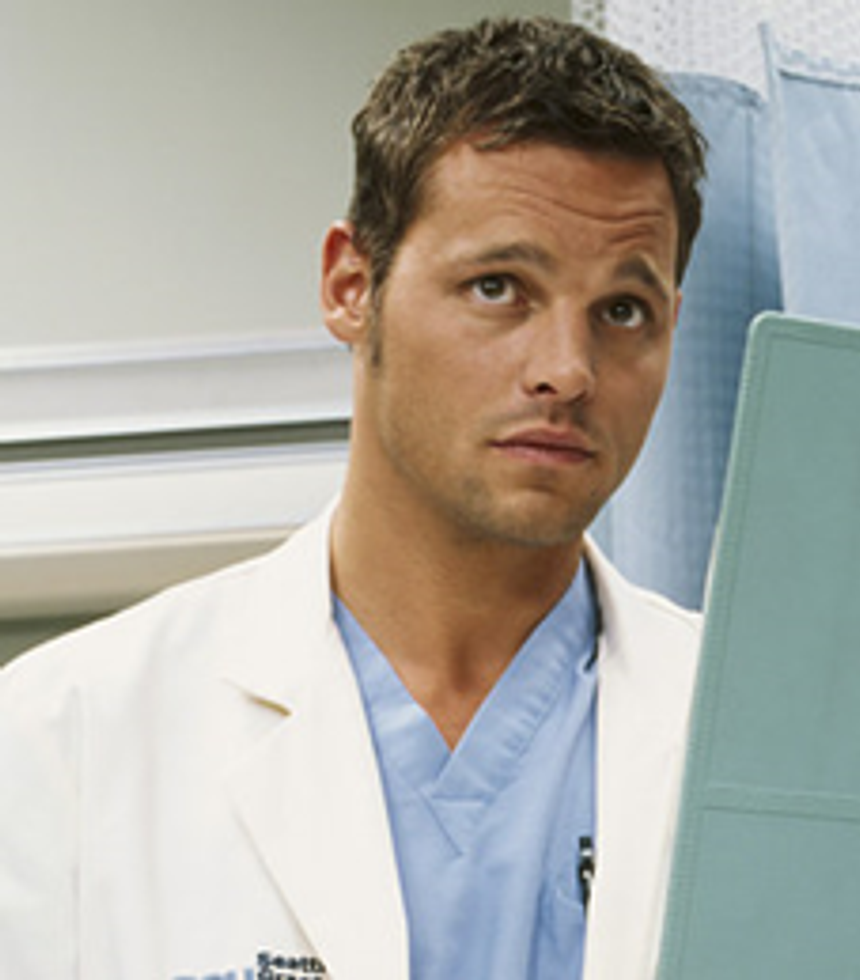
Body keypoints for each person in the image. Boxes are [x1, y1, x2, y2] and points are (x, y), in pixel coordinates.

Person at [0, 15, 706, 980]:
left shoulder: (757, 745)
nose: (568, 370)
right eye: (498, 287)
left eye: (623, 311)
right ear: (351, 284)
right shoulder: (61, 743)